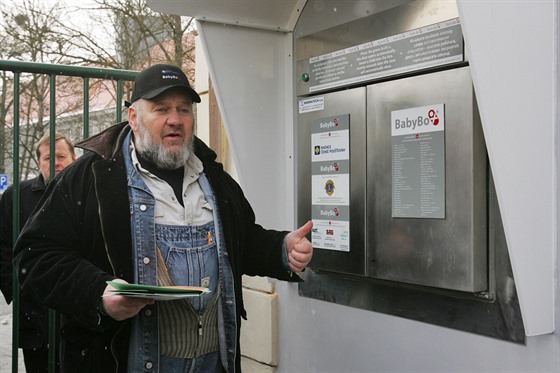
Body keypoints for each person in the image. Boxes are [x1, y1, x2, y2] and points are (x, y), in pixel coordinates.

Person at [13, 64, 313, 373]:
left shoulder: (214, 178)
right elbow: (36, 257)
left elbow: (243, 242)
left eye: (184, 109)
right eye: (161, 109)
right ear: (133, 118)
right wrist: (98, 293)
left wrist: (281, 248)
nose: (175, 120)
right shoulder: (90, 178)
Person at [0, 132, 76, 373]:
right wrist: (16, 287)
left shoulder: (87, 193)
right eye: (47, 158)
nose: (55, 163)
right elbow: (2, 245)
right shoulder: (16, 196)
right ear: (38, 163)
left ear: (74, 159)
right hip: (33, 313)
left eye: (61, 156)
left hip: (76, 309)